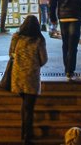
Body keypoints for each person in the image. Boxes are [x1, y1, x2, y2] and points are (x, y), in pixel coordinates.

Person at [9, 15, 48, 145]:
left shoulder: (16, 37)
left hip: (18, 75)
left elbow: (10, 53)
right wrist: (34, 64)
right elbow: (44, 59)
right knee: (29, 107)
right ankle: (27, 134)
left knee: (25, 104)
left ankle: (23, 131)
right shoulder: (39, 40)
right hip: (32, 77)